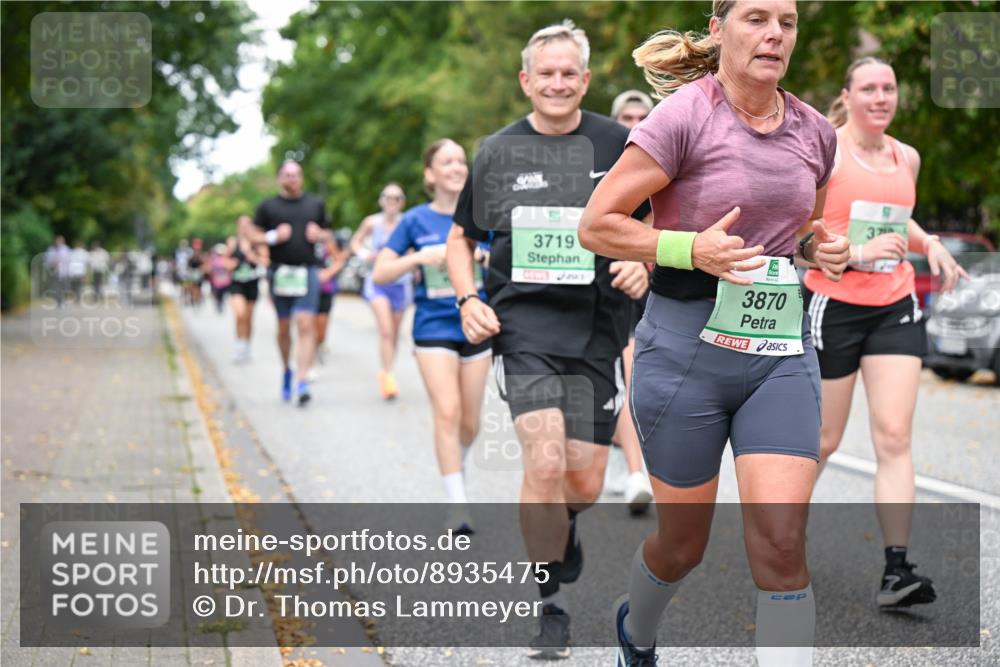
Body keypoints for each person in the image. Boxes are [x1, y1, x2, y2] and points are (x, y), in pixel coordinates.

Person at [576, 2, 851, 665]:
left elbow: (794, 234)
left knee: (782, 544)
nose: (775, 34)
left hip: (779, 352)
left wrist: (820, 250)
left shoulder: (815, 131)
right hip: (684, 349)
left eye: (786, 21)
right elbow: (597, 224)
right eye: (756, 18)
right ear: (718, 30)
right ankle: (635, 631)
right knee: (682, 544)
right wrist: (686, 248)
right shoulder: (684, 116)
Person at [447, 21, 651, 659]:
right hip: (524, 326)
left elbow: (657, 219)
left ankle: (563, 530)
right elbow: (462, 239)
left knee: (584, 484)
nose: (558, 83)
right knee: (541, 461)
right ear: (526, 80)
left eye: (570, 73)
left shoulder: (619, 142)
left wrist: (644, 262)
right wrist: (468, 298)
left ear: (585, 80)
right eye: (547, 73)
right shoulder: (497, 152)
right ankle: (551, 605)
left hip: (597, 328)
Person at [804, 56, 966, 610]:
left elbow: (898, 218)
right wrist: (855, 253)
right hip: (833, 304)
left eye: (889, 88)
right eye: (868, 88)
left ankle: (896, 571)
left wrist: (932, 243)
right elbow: (802, 225)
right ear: (847, 96)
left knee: (894, 437)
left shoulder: (907, 157)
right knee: (822, 440)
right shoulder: (827, 152)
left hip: (893, 303)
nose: (880, 97)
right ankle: (779, 538)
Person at [374, 139, 491, 534]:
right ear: (430, 174)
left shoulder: (484, 214)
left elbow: (506, 259)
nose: (457, 167)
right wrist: (419, 257)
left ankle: (453, 468)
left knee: (470, 423)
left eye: (461, 160)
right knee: (448, 411)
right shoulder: (415, 221)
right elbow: (380, 274)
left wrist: (482, 257)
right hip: (433, 326)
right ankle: (457, 502)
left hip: (476, 325)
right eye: (447, 162)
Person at [604, 89, 656, 514]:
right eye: (626, 116)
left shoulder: (663, 169)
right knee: (619, 377)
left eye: (642, 115)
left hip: (650, 289)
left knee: (635, 377)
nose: (634, 123)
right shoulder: (600, 168)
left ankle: (640, 471)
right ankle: (633, 469)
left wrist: (644, 260)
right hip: (601, 288)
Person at [252, 160, 329, 406]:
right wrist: (273, 236)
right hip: (279, 273)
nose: (291, 179)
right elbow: (252, 235)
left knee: (306, 324)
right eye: (286, 175)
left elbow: (329, 234)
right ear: (279, 179)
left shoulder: (315, 204)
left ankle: (302, 379)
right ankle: (287, 368)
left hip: (307, 271)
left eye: (295, 175)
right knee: (284, 327)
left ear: (302, 178)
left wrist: (319, 234)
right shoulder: (268, 206)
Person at [351, 183, 413, 399]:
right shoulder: (372, 222)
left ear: (402, 202)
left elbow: (414, 248)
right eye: (388, 197)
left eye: (397, 198)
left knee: (394, 334)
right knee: (386, 330)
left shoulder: (407, 222)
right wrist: (364, 254)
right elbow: (355, 241)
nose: (392, 202)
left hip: (401, 283)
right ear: (381, 200)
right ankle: (388, 377)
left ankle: (387, 369)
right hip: (377, 282)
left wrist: (413, 266)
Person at [227, 216, 267, 364]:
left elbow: (266, 261)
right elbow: (225, 262)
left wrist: (251, 255)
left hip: (252, 284)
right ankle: (239, 345)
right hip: (237, 284)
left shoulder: (258, 244)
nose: (244, 228)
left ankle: (247, 346)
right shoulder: (233, 242)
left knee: (249, 318)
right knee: (240, 314)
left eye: (247, 225)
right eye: (241, 225)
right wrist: (231, 264)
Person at [313, 227, 350, 371]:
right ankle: (309, 353)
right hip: (309, 289)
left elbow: (339, 260)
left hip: (326, 288)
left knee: (322, 323)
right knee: (309, 321)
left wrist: (327, 274)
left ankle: (320, 343)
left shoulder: (332, 242)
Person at [45, 235, 72, 308]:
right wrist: (52, 263)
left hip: (64, 272)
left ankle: (64, 300)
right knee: (56, 287)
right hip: (55, 271)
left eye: (60, 241)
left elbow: (69, 261)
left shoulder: (66, 249)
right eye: (57, 241)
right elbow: (47, 260)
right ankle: (59, 302)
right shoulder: (51, 249)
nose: (58, 242)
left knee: (65, 287)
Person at [209, 243, 232, 314]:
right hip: (217, 279)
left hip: (225, 278)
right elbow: (211, 268)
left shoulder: (226, 258)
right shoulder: (214, 259)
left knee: (224, 293)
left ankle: (221, 303)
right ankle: (218, 304)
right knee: (218, 293)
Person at [68, 240, 89, 304]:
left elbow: (85, 264)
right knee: (76, 286)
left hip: (78, 272)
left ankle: (78, 299)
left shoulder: (82, 253)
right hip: (76, 272)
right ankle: (77, 298)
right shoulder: (73, 252)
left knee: (78, 286)